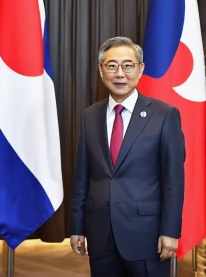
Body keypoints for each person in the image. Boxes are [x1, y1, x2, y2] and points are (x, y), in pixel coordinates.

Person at [69, 36, 185, 277]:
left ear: (140, 69)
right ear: (101, 71)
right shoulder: (89, 116)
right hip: (100, 233)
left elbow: (173, 179)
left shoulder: (164, 115)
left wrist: (171, 231)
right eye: (111, 66)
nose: (119, 73)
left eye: (127, 65)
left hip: (147, 235)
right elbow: (82, 177)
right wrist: (76, 227)